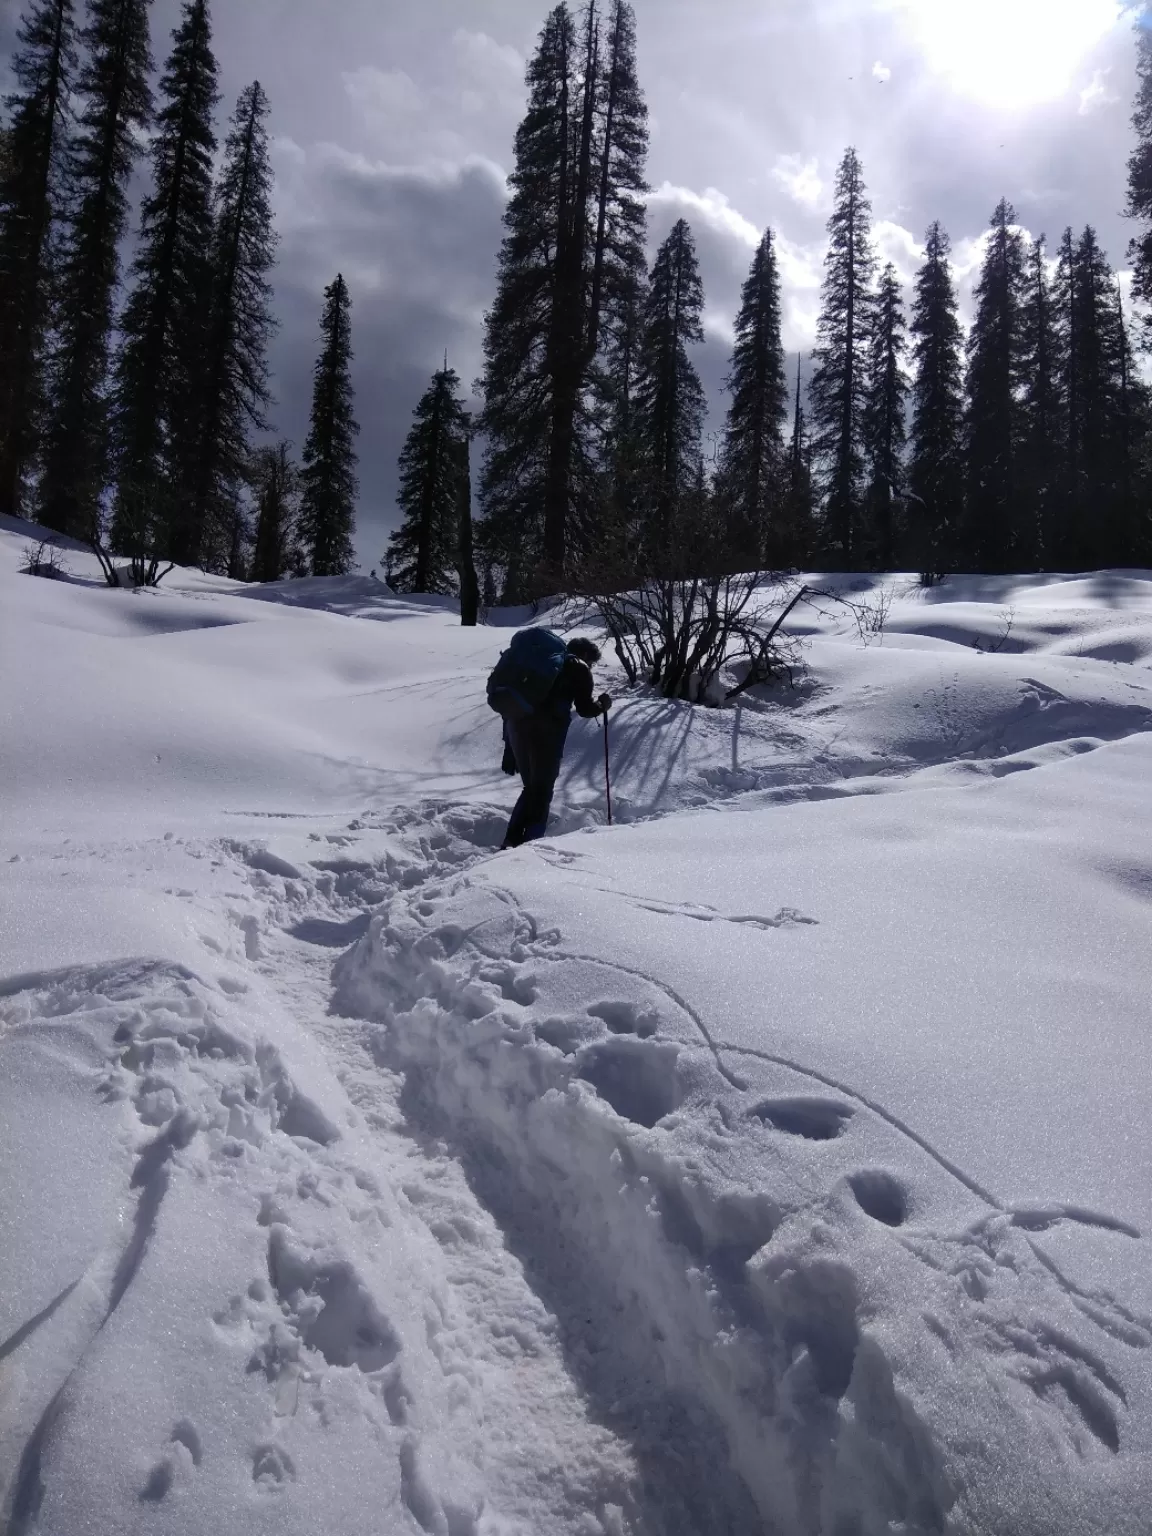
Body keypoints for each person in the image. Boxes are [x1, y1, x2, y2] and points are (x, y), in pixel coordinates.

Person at [500, 636, 610, 849]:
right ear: (585, 655)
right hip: (547, 733)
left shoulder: (540, 665)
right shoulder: (578, 667)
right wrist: (603, 705)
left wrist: (508, 745)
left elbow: (511, 703)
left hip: (517, 729)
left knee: (532, 787)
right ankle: (531, 844)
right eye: (592, 662)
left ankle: (511, 840)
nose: (592, 666)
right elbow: (585, 708)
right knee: (543, 790)